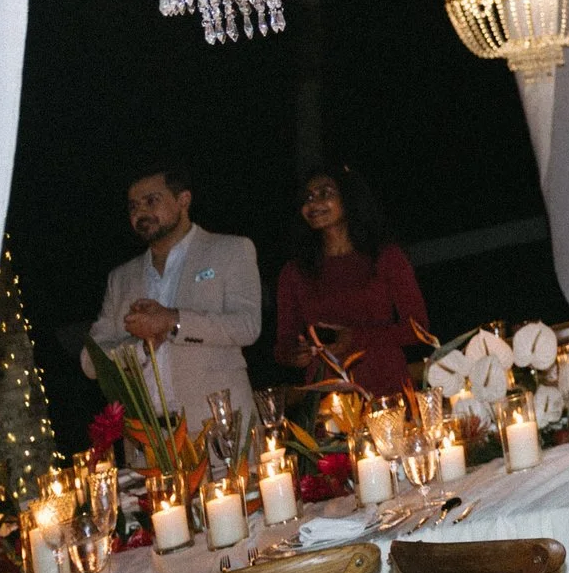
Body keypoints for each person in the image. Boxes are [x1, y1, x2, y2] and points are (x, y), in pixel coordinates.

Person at [86, 167, 262, 423]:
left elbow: (247, 326)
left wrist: (173, 321)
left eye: (151, 201)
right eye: (133, 206)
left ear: (184, 200)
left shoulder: (230, 250)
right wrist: (141, 349)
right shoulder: (121, 278)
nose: (141, 213)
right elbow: (91, 361)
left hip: (219, 429)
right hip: (149, 441)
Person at [272, 165, 430, 397]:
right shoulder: (294, 272)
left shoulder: (385, 256)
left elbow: (419, 329)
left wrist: (355, 338)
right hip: (329, 391)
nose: (314, 204)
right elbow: (283, 344)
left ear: (348, 198)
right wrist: (294, 354)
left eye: (325, 194)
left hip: (385, 385)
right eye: (308, 198)